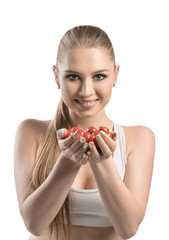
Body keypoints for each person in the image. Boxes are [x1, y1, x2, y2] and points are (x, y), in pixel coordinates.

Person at [14, 25, 155, 240]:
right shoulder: (31, 132)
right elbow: (34, 224)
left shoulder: (139, 138)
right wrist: (69, 161)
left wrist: (102, 160)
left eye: (99, 76)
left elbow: (128, 228)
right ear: (56, 76)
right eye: (73, 77)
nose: (86, 91)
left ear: (116, 75)